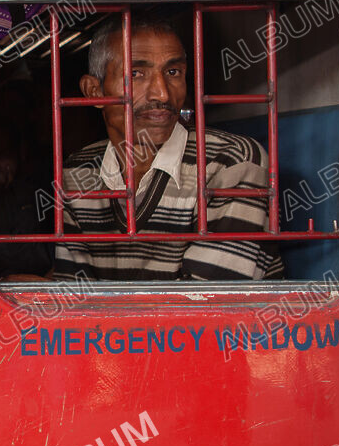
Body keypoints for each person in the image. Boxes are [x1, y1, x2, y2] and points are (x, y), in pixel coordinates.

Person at [54, 14, 284, 281]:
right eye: (137, 74)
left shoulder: (233, 163)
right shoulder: (77, 171)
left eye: (173, 72)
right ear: (94, 91)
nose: (162, 94)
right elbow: (73, 295)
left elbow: (210, 302)